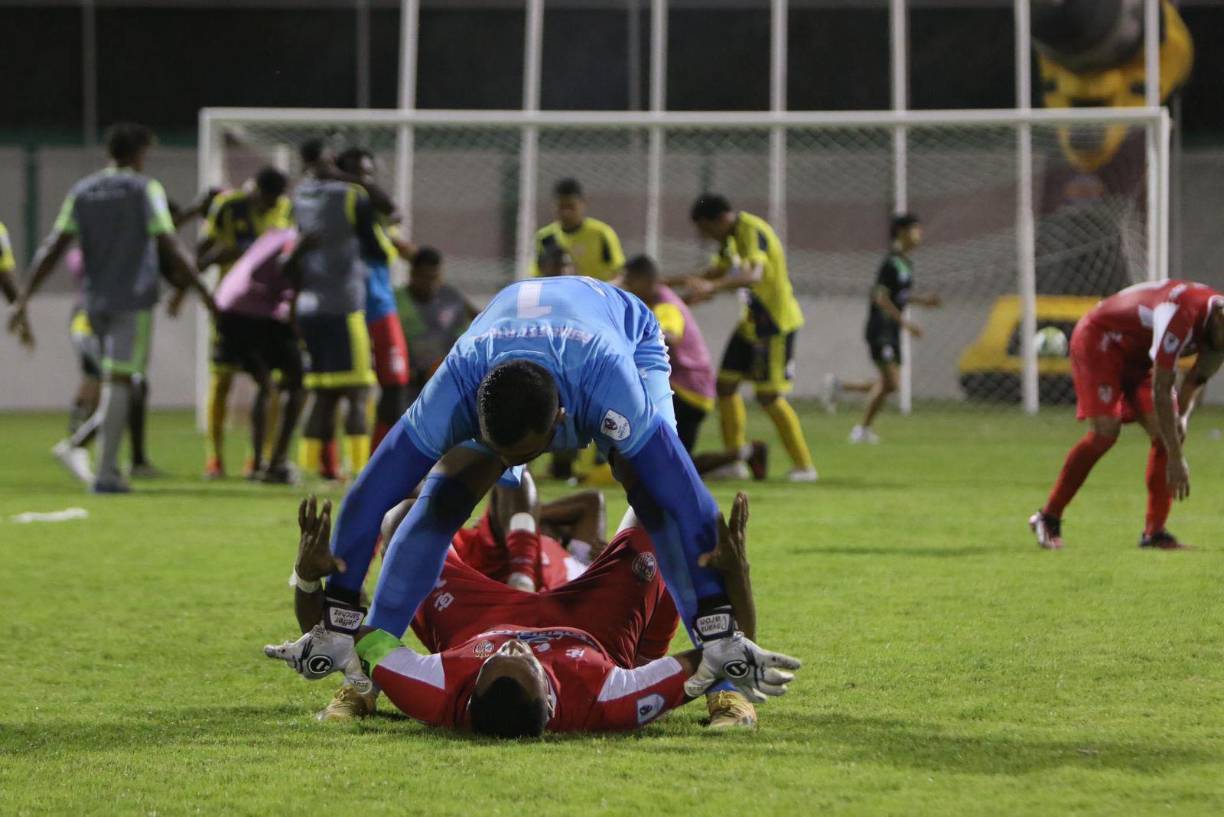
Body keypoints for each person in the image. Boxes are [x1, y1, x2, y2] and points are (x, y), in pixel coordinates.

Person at [266, 276, 795, 725]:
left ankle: (726, 678)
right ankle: (362, 685)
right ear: (476, 418)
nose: (513, 469)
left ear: (562, 426)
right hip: (500, 356)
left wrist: (719, 629)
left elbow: (685, 497)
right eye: (503, 455)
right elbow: (370, 495)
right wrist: (336, 618)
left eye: (523, 456)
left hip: (619, 339)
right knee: (441, 497)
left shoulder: (608, 381)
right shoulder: (457, 384)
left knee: (652, 496)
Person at [267, 493, 799, 735]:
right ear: (550, 694)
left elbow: (333, 634)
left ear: (471, 689)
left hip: (475, 616)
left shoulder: (434, 689)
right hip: (593, 625)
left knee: (402, 519)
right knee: (663, 510)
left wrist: (308, 577)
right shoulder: (604, 699)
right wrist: (740, 571)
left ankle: (361, 690)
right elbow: (724, 650)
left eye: (496, 658)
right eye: (523, 658)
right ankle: (724, 697)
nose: (515, 645)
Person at [7, 123, 215, 493]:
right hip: (131, 300)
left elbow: (54, 245)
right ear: (139, 154)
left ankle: (82, 451)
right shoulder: (144, 188)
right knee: (122, 381)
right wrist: (204, 292)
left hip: (92, 302)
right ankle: (104, 472)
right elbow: (168, 241)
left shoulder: (83, 190)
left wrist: (24, 298)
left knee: (114, 381)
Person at [1030, 280, 1224, 550]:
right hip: (1101, 338)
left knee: (1167, 433)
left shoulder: (1219, 329)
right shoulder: (1180, 313)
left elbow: (1195, 381)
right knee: (1105, 433)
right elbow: (1162, 387)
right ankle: (1048, 516)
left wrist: (1183, 419)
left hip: (1139, 357)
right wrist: (1177, 457)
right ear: (1218, 315)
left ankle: (1154, 533)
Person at [683, 194, 817, 482]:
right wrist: (677, 289)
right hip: (751, 324)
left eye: (706, 230)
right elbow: (716, 271)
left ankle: (804, 466)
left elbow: (753, 275)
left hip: (774, 325)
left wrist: (712, 286)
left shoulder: (751, 231)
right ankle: (735, 460)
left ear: (720, 220)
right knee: (726, 386)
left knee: (768, 396)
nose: (706, 237)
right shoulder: (729, 239)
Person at [621, 254, 767, 479]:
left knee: (667, 468)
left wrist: (632, 339)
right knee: (674, 466)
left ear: (646, 281)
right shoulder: (660, 298)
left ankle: (742, 456)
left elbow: (670, 335)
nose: (626, 287)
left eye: (630, 281)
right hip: (693, 390)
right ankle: (746, 453)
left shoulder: (665, 305)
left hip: (686, 392)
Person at [292, 139, 380, 481]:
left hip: (309, 306)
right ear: (328, 159)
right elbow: (374, 242)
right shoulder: (349, 195)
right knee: (359, 392)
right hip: (344, 304)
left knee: (322, 394)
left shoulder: (298, 196)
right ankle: (358, 470)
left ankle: (307, 467)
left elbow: (292, 252)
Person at [197, 167, 293, 478]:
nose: (270, 205)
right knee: (222, 378)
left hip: (267, 312)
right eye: (267, 199)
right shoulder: (227, 206)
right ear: (255, 191)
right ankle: (215, 458)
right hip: (231, 308)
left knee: (270, 382)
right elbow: (203, 251)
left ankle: (259, 457)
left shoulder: (285, 209)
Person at [824, 213, 942, 443]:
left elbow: (899, 296)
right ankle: (861, 430)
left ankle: (840, 388)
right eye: (915, 229)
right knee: (892, 383)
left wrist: (922, 301)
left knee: (890, 384)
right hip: (881, 329)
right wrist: (906, 324)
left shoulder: (906, 263)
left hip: (891, 330)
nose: (920, 234)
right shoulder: (890, 263)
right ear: (901, 232)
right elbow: (880, 297)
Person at [212, 228, 309, 483]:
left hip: (230, 308)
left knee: (267, 385)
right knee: (297, 382)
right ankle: (275, 462)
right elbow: (287, 266)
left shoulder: (277, 233)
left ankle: (258, 463)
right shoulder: (298, 241)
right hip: (254, 313)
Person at [335, 147, 414, 452]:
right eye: (356, 173)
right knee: (337, 390)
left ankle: (379, 454)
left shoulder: (374, 213)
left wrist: (356, 182)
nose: (362, 180)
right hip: (343, 310)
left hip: (381, 308)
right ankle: (329, 466)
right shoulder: (330, 212)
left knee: (395, 383)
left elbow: (396, 212)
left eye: (367, 173)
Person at [396, 247, 479, 405]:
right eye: (425, 278)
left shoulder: (451, 298)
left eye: (435, 278)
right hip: (409, 382)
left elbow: (473, 326)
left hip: (446, 379)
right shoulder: (396, 302)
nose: (431, 284)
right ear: (412, 274)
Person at [529, 178, 624, 281]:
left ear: (583, 203)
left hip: (595, 295)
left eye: (571, 206)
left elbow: (619, 272)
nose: (566, 212)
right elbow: (537, 274)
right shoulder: (545, 237)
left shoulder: (601, 233)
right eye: (561, 207)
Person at [0, 221, 17, 305]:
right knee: (14, 299)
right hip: (6, 267)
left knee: (13, 299)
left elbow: (2, 250)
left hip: (4, 268)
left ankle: (19, 315)